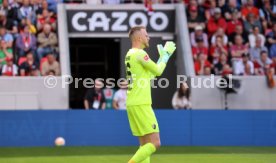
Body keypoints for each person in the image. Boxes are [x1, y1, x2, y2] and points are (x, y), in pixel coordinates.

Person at [125, 26, 176, 163]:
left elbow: (151, 75)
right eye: (146, 35)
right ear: (140, 38)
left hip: (132, 102)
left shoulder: (130, 54)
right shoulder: (140, 54)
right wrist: (166, 55)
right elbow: (158, 72)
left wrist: (162, 58)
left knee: (144, 145)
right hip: (141, 103)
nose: (149, 38)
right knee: (155, 143)